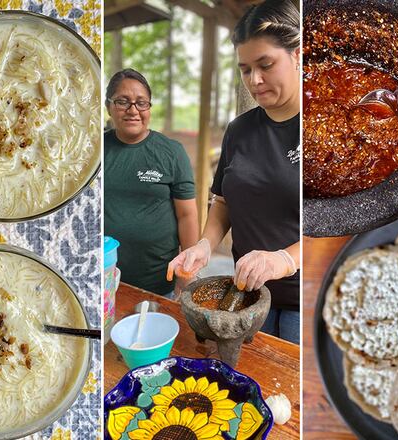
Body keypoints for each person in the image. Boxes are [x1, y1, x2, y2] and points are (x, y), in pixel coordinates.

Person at [168, 0, 300, 343]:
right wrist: (204, 246)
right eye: (245, 69)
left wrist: (285, 259)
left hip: (303, 298)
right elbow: (224, 200)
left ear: (299, 55)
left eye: (266, 65)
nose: (254, 80)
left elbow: (341, 224)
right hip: (247, 293)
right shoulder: (239, 130)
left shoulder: (319, 126)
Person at [104, 69, 199, 297]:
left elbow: (187, 215)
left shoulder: (172, 152)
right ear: (109, 107)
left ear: (149, 109)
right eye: (122, 102)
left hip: (160, 281)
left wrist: (187, 273)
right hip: (105, 278)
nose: (133, 110)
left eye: (141, 103)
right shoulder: (96, 149)